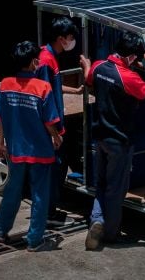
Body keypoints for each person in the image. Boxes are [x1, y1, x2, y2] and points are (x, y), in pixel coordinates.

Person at [79, 32, 145, 250]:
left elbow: (88, 80)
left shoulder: (98, 66)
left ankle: (97, 219)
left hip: (100, 137)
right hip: (119, 140)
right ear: (132, 57)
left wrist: (86, 65)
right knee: (116, 189)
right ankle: (111, 233)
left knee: (101, 184)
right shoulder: (128, 77)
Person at [0, 40, 64, 252]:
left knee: (12, 191)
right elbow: (49, 119)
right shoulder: (42, 87)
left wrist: (0, 143)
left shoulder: (5, 85)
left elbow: (2, 118)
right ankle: (34, 240)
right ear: (34, 61)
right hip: (39, 150)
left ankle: (1, 231)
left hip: (16, 149)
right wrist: (57, 136)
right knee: (39, 195)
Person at [36, 16, 83, 227]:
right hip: (51, 129)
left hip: (54, 127)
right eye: (70, 37)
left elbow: (53, 86)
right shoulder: (46, 60)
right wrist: (54, 132)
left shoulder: (50, 58)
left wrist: (74, 90)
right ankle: (49, 215)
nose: (72, 41)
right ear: (61, 38)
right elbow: (45, 97)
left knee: (58, 168)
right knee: (55, 170)